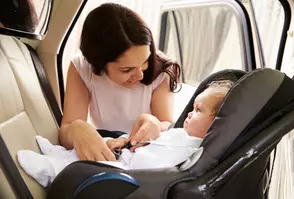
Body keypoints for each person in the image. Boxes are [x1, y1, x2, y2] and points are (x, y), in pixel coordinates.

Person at [17, 80, 234, 188]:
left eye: (198, 111)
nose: (188, 114)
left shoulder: (193, 150)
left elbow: (162, 169)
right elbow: (159, 138)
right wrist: (131, 143)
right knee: (100, 142)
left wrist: (134, 152)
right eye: (192, 108)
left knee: (93, 165)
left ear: (216, 124)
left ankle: (51, 170)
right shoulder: (183, 134)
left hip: (134, 172)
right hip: (130, 157)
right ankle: (56, 153)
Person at [59, 3, 181, 162]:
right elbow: (66, 130)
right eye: (126, 69)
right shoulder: (81, 68)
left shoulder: (162, 69)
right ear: (99, 63)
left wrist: (156, 124)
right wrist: (77, 129)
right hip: (110, 145)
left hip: (146, 152)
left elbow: (168, 124)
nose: (139, 75)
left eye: (145, 62)